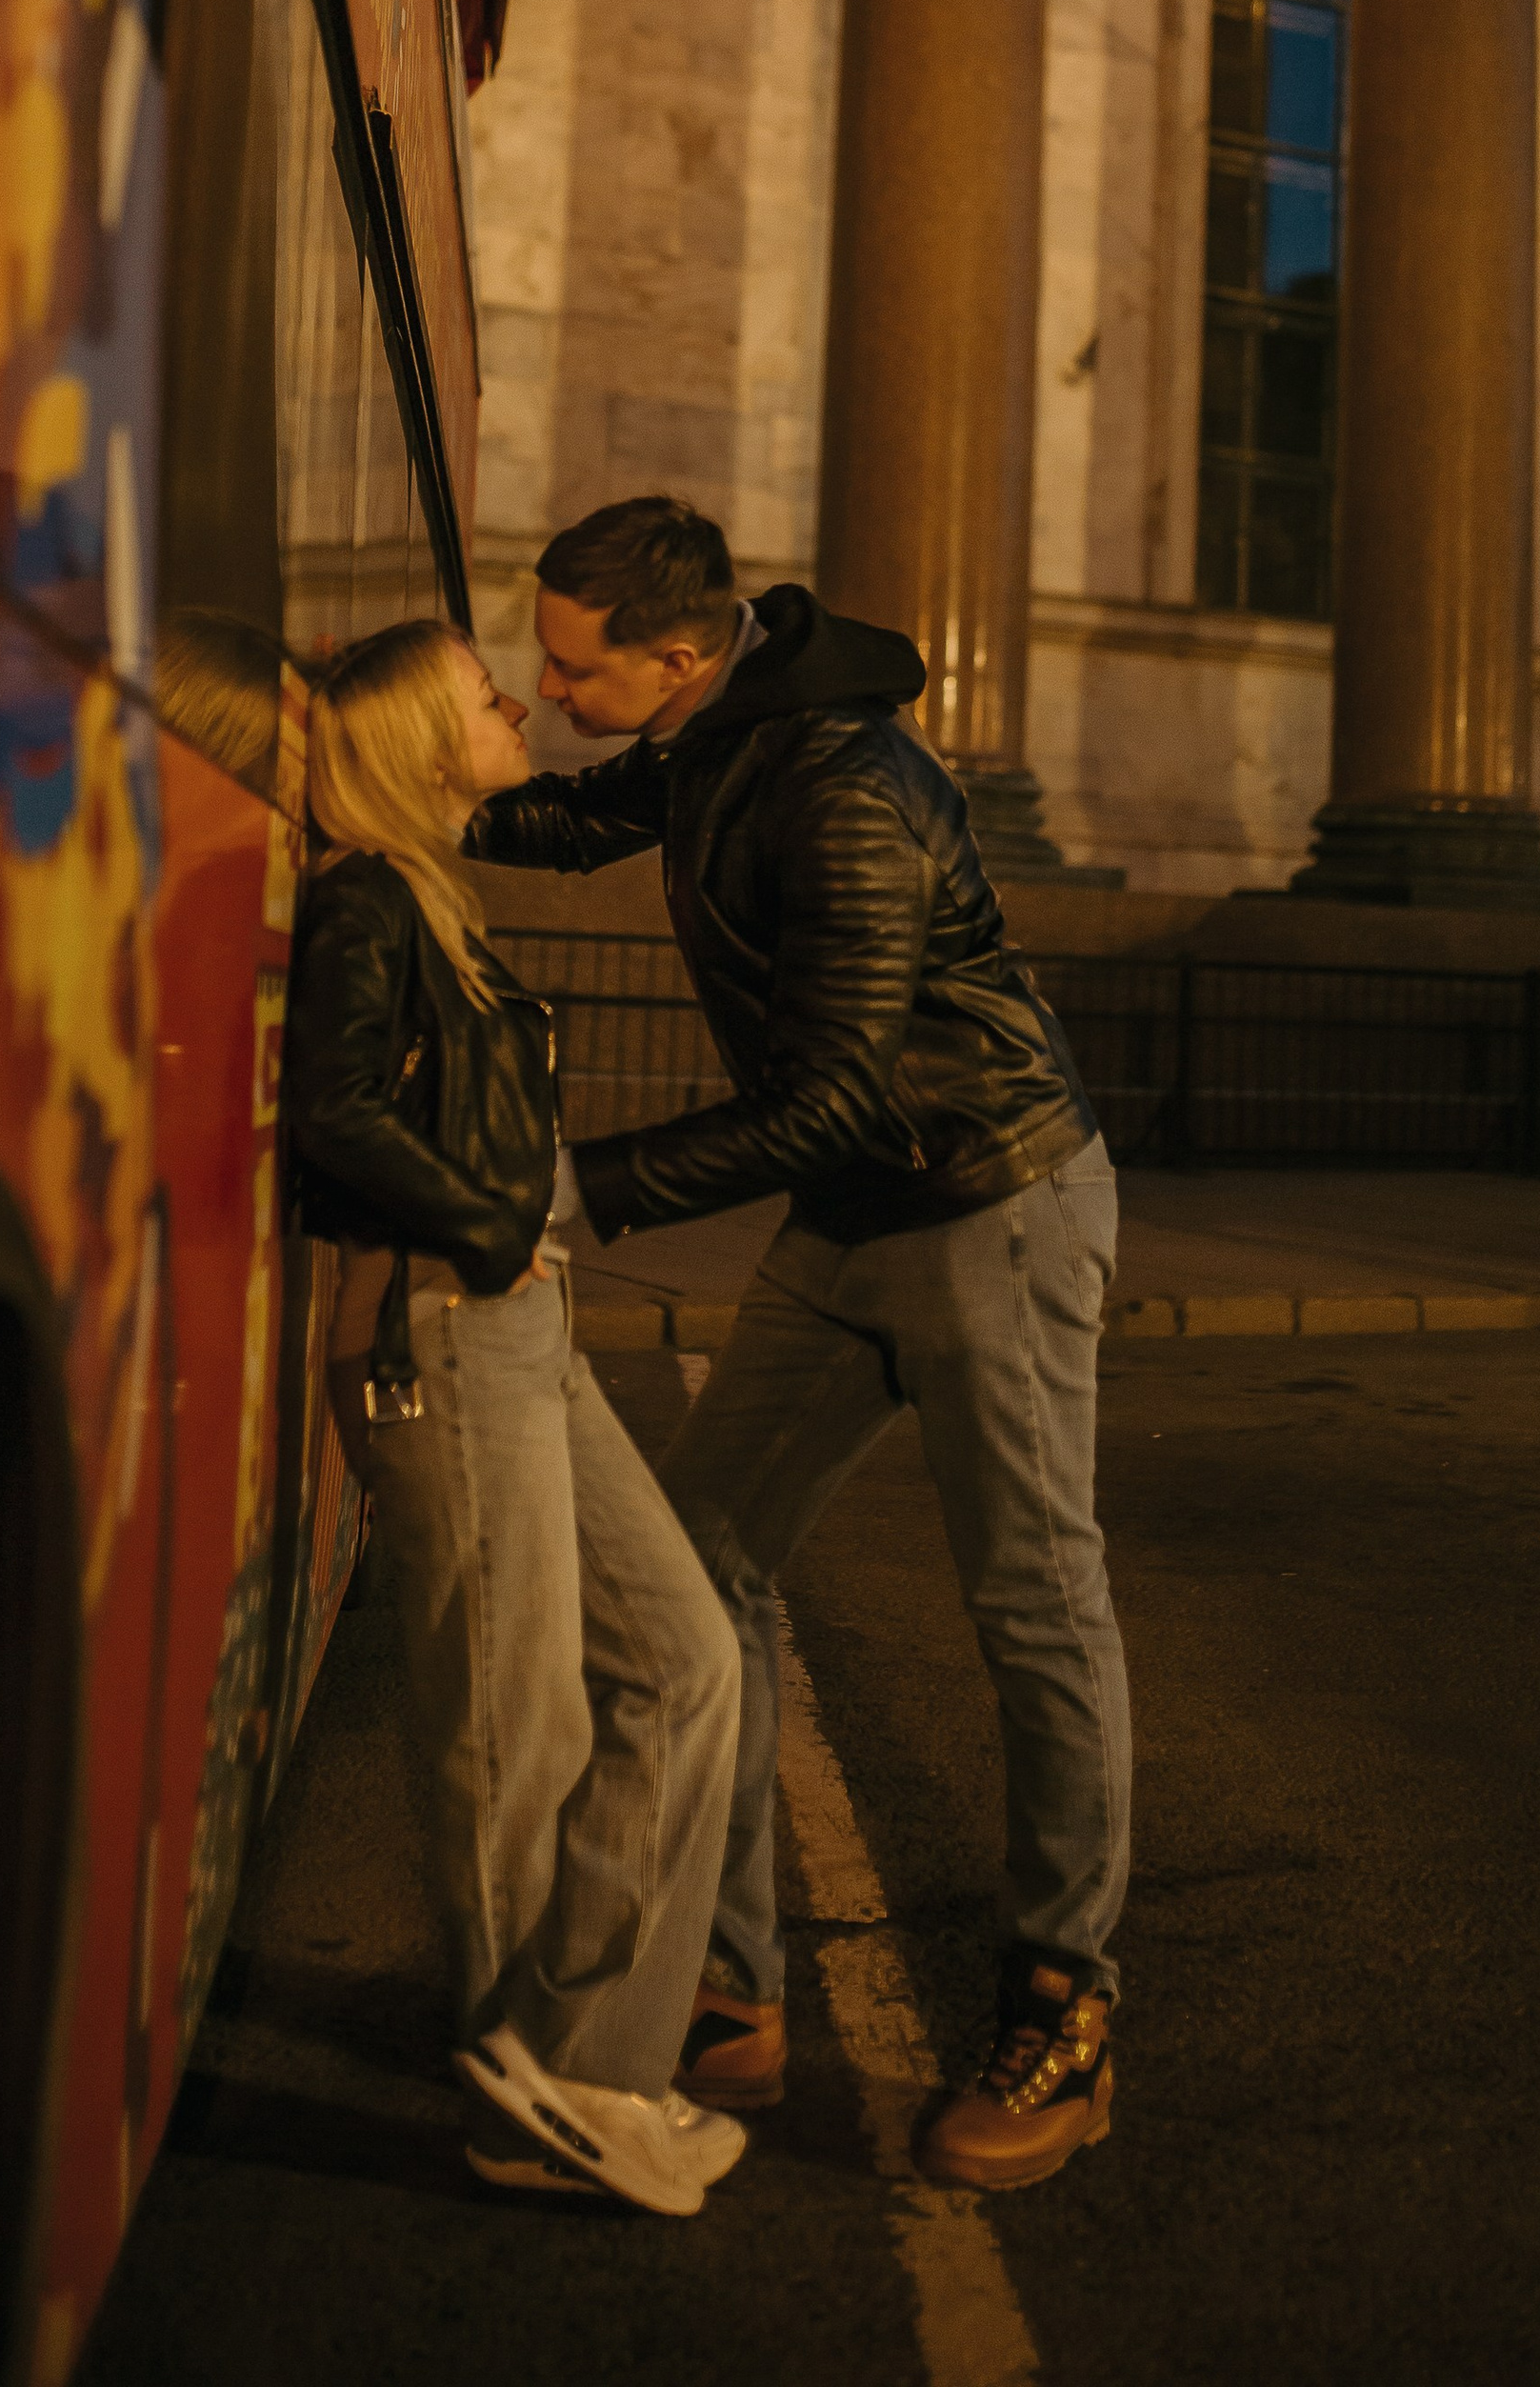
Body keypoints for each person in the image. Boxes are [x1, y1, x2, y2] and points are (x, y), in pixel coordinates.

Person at [472, 497, 1130, 2194]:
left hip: (989, 1202)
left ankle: (1063, 2011)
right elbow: (567, 819)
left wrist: (576, 1189)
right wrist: (392, 774)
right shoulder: (711, 737)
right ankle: (731, 1986)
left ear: (679, 657)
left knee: (1034, 1605)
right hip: (855, 1213)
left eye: (574, 670)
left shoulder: (842, 784)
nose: (551, 695)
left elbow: (832, 1092)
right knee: (696, 1568)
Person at [283, 616, 746, 2218]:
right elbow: (332, 1111)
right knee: (516, 1729)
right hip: (445, 1321)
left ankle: (585, 2058)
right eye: (485, 696)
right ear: (423, 741)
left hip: (519, 1325)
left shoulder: (428, 892)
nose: (516, 709)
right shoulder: (363, 896)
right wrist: (489, 1227)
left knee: (686, 1661)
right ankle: (530, 2093)